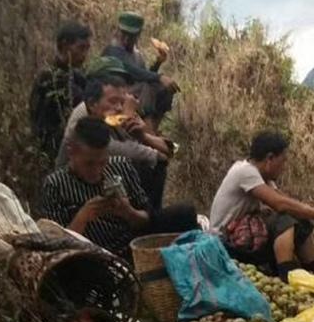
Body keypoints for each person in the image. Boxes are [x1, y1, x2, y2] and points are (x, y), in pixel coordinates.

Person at [35, 117, 196, 256]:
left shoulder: (120, 165)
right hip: (91, 255)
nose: (96, 171)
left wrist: (128, 212)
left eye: (102, 162)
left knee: (185, 213)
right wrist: (82, 217)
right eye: (89, 164)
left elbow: (148, 220)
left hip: (132, 243)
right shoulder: (55, 185)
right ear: (72, 152)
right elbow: (56, 246)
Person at [209, 131, 314, 280]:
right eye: (283, 160)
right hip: (225, 242)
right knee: (283, 220)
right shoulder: (244, 171)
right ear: (270, 159)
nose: (284, 166)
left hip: (244, 234)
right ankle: (287, 276)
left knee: (301, 221)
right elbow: (280, 205)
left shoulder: (263, 178)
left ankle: (312, 271)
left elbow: (286, 201)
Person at [57, 70, 174, 209]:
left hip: (100, 176)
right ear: (92, 104)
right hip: (77, 189)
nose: (118, 107)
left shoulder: (108, 114)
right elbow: (128, 150)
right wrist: (156, 153)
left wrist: (143, 134)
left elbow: (170, 148)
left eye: (122, 102)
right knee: (149, 164)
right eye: (113, 101)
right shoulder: (84, 123)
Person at [103, 12, 179, 129]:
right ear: (118, 31)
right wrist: (160, 77)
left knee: (165, 89)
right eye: (124, 34)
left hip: (135, 94)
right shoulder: (112, 50)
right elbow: (131, 71)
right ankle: (148, 129)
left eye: (131, 35)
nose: (127, 39)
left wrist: (158, 62)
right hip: (116, 95)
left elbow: (143, 74)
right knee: (148, 86)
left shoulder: (136, 53)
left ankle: (153, 127)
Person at [29, 21, 91, 160]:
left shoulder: (73, 74)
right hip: (52, 150)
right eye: (81, 48)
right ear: (64, 46)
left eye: (87, 49)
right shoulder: (51, 78)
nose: (84, 54)